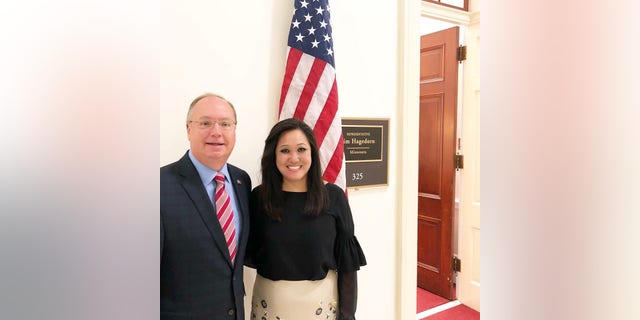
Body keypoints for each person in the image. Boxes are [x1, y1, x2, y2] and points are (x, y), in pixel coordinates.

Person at [245, 118, 367, 320]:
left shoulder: (334, 196)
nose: (294, 158)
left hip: (320, 307)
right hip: (269, 305)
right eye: (284, 150)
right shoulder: (258, 198)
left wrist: (347, 316)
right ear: (273, 155)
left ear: (312, 153)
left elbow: (347, 267)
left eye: (301, 149)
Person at [161, 93, 252, 320]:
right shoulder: (158, 186)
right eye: (205, 123)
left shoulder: (242, 181)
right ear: (188, 129)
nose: (216, 132)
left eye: (225, 124)